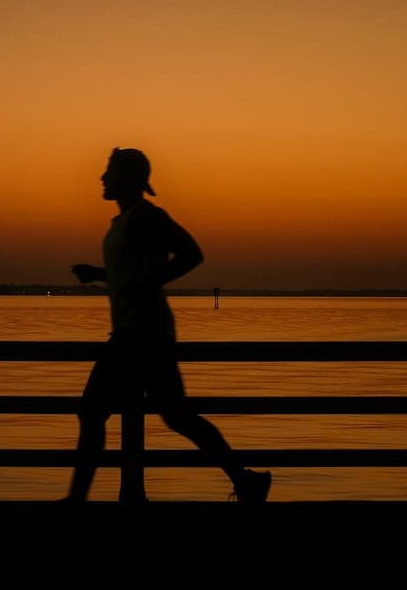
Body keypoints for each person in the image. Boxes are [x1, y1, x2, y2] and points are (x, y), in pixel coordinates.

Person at [66, 147, 272, 506]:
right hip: (142, 333)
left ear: (127, 178)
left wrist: (149, 283)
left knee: (93, 411)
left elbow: (192, 253)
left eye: (109, 171)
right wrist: (99, 275)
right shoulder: (124, 221)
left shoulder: (147, 216)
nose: (102, 177)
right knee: (177, 417)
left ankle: (76, 504)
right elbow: (133, 274)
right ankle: (245, 480)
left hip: (140, 335)